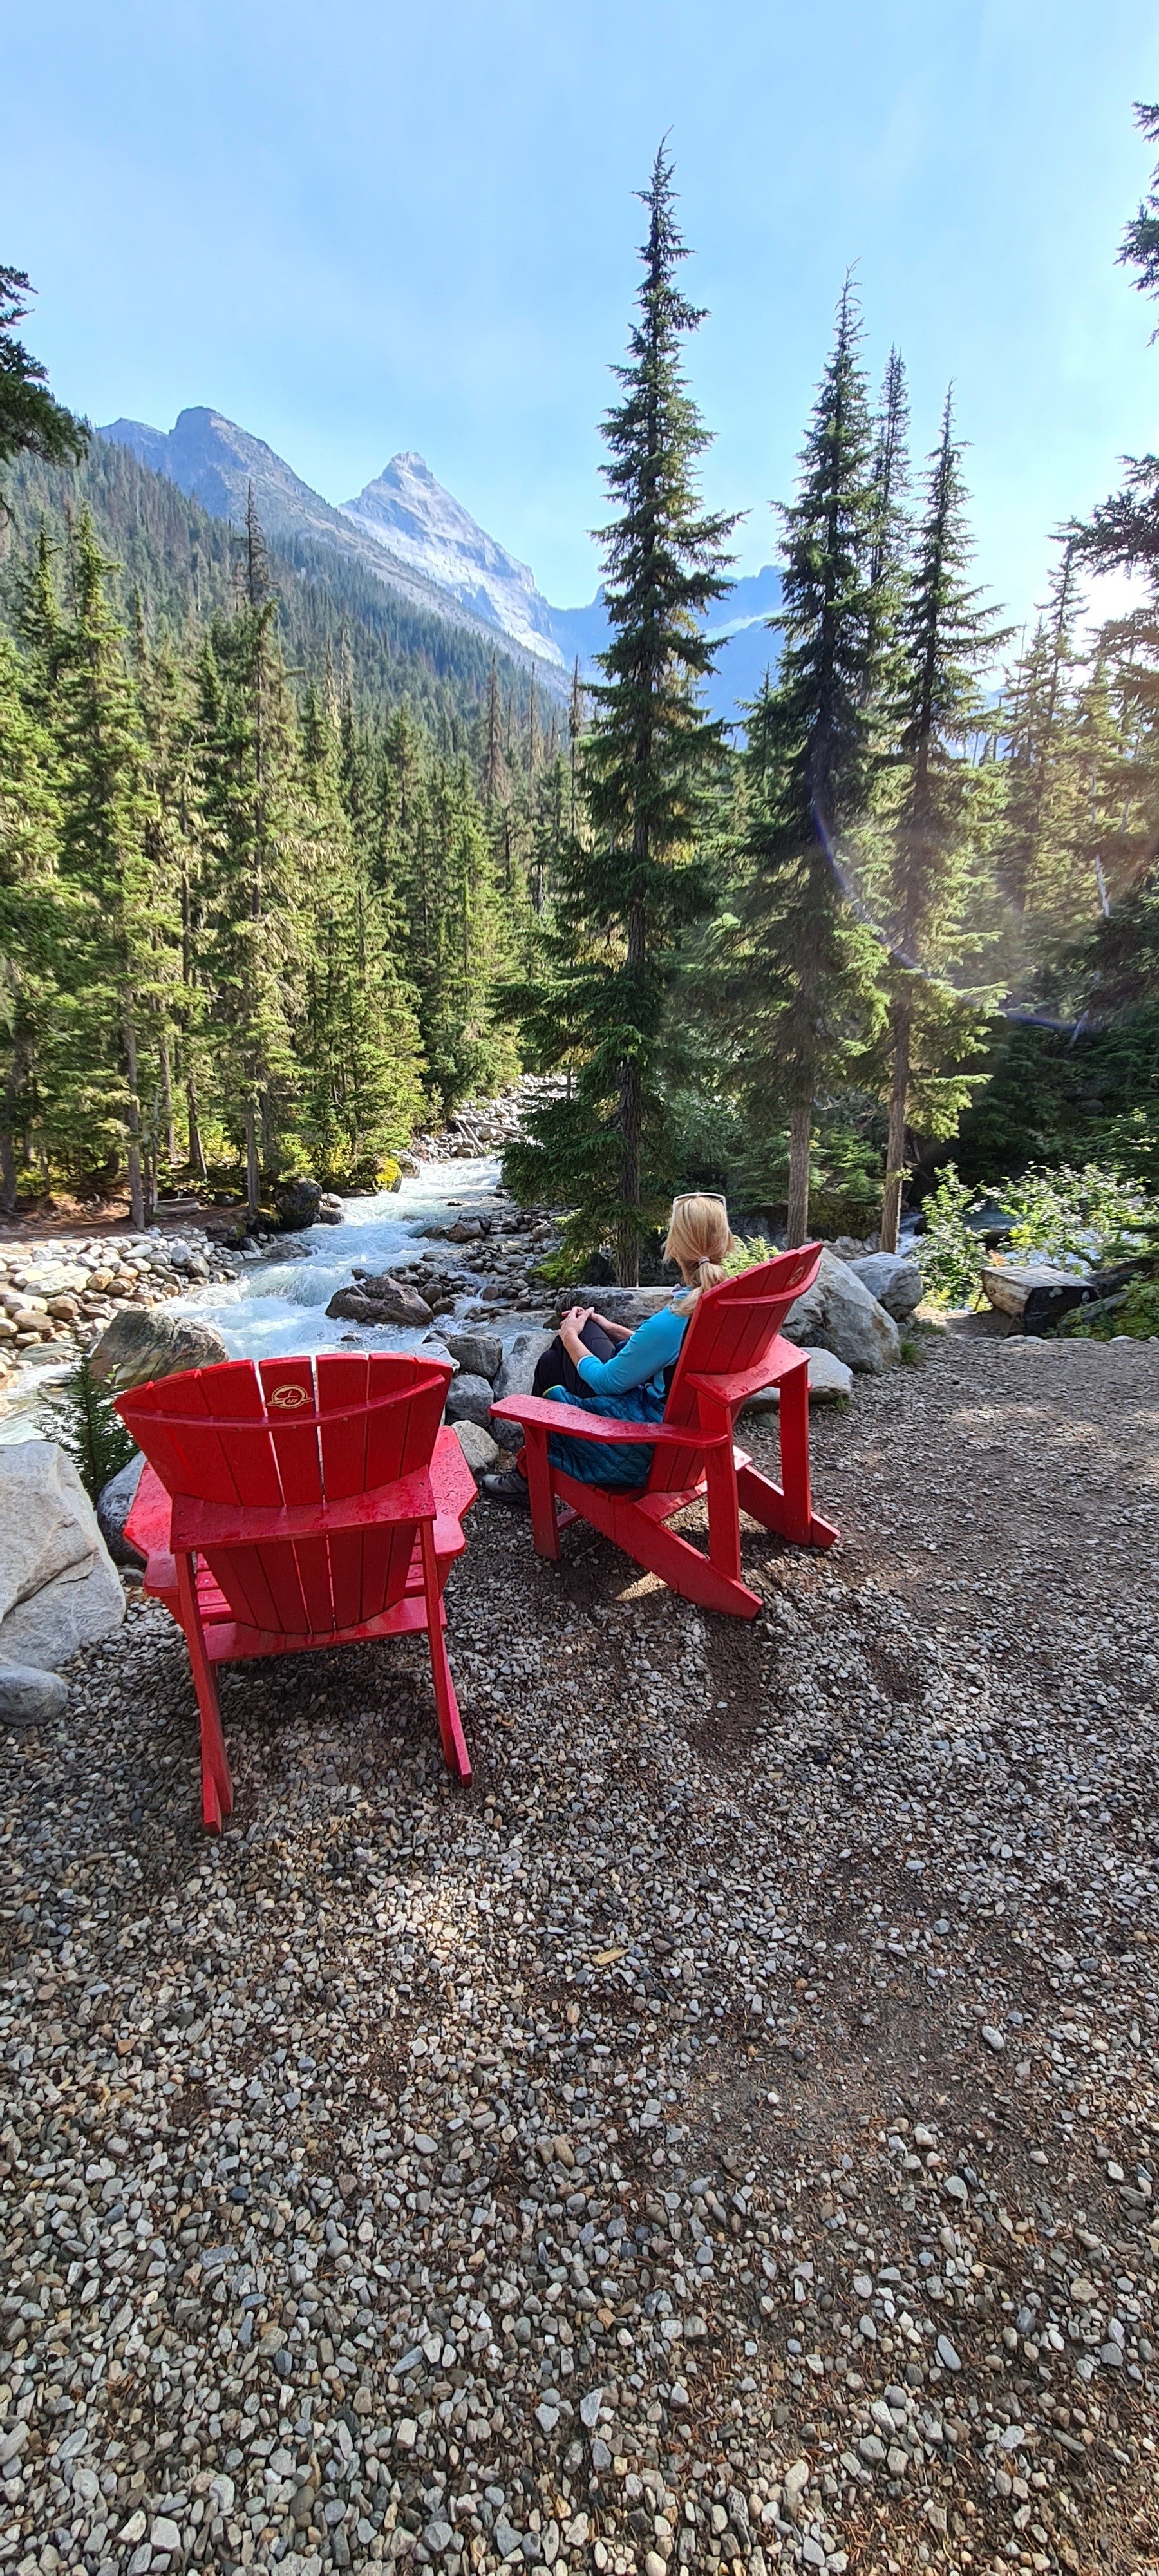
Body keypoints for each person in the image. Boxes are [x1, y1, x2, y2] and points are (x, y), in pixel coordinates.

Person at [482, 1192, 735, 1505]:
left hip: (647, 1445)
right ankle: (527, 1472)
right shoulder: (731, 1304)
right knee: (567, 1347)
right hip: (690, 1429)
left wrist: (570, 1334)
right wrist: (613, 1329)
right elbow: (674, 1356)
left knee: (554, 1359)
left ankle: (527, 1475)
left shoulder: (673, 1321)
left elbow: (606, 1381)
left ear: (675, 1248)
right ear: (725, 1240)